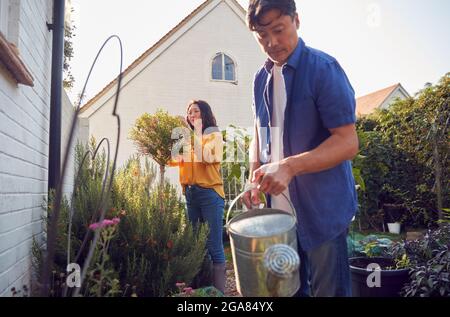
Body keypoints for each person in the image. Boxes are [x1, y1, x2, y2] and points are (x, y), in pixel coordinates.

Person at [243, 0, 359, 297]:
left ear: (297, 20)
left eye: (278, 30)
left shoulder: (324, 69)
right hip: (278, 217)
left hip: (322, 211)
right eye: (261, 36)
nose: (271, 42)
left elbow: (347, 142)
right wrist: (252, 175)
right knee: (285, 292)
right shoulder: (260, 78)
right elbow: (260, 132)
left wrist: (290, 166)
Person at [169, 100, 226, 294]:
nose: (192, 114)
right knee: (196, 244)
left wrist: (192, 134)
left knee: (214, 245)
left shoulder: (213, 134)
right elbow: (174, 161)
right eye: (189, 112)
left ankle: (218, 294)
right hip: (191, 194)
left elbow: (208, 158)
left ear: (204, 114)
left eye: (196, 111)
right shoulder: (187, 138)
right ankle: (201, 291)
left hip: (210, 193)